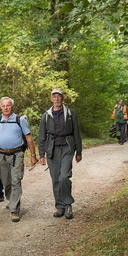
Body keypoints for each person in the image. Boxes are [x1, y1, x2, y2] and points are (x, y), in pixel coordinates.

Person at [0, 97, 38, 222]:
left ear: (12, 106)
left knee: (16, 180)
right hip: (1, 155)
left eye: (8, 105)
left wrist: (33, 155)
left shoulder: (19, 120)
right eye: (4, 106)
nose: (6, 108)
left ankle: (14, 209)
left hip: (17, 154)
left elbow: (29, 139)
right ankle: (12, 200)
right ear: (1, 107)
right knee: (6, 182)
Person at [37, 88, 83, 219]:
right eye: (54, 96)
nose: (56, 99)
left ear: (63, 98)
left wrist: (79, 151)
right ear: (51, 99)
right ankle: (60, 206)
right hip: (52, 149)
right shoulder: (46, 115)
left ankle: (68, 204)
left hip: (67, 148)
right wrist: (41, 155)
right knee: (55, 179)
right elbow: (41, 136)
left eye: (59, 96)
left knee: (64, 176)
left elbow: (76, 133)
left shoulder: (70, 114)